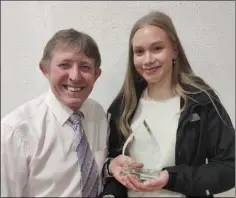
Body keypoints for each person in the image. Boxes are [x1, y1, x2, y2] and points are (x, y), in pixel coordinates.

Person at [100, 11, 235, 198]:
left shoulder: (202, 102)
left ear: (174, 50)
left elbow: (229, 167)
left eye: (157, 48)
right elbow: (112, 166)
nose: (147, 60)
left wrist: (172, 179)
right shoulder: (123, 106)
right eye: (139, 51)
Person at [1, 28, 109, 197]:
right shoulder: (16, 131)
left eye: (85, 67)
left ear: (97, 74)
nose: (75, 76)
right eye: (64, 65)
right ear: (45, 69)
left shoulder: (98, 114)